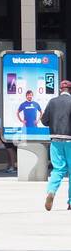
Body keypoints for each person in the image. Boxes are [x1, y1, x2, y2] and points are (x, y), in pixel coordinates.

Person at [42, 81, 71, 211]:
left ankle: (51, 191)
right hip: (70, 140)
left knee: (58, 169)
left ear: (60, 89)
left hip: (55, 140)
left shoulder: (52, 102)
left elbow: (44, 121)